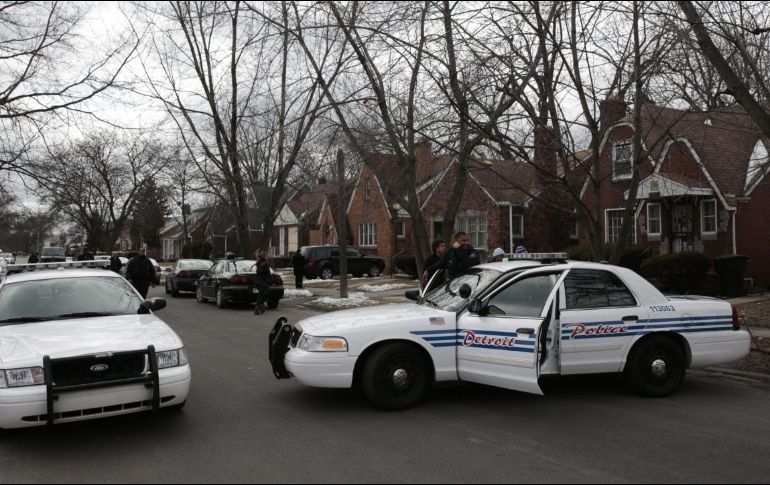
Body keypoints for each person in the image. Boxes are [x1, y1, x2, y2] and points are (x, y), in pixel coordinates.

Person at [253, 248, 272, 315]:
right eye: (266, 255)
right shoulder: (265, 264)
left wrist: (258, 251)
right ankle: (257, 309)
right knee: (261, 296)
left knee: (262, 295)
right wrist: (270, 280)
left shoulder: (258, 262)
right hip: (263, 282)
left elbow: (255, 255)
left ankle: (262, 308)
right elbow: (268, 273)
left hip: (258, 281)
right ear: (265, 256)